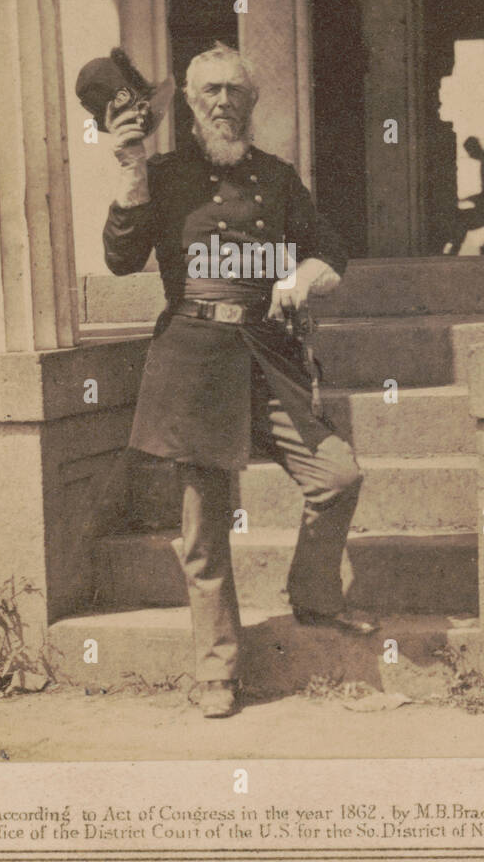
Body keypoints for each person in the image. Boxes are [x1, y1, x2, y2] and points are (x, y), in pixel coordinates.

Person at [102, 43, 376, 718]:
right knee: (204, 526)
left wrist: (300, 278)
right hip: (194, 358)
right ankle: (216, 669)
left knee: (337, 476)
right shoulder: (163, 175)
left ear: (252, 103)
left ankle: (312, 596)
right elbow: (118, 258)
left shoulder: (278, 179)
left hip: (268, 353)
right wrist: (130, 172)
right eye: (209, 92)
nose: (222, 102)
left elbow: (327, 247)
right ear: (190, 105)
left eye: (234, 91)